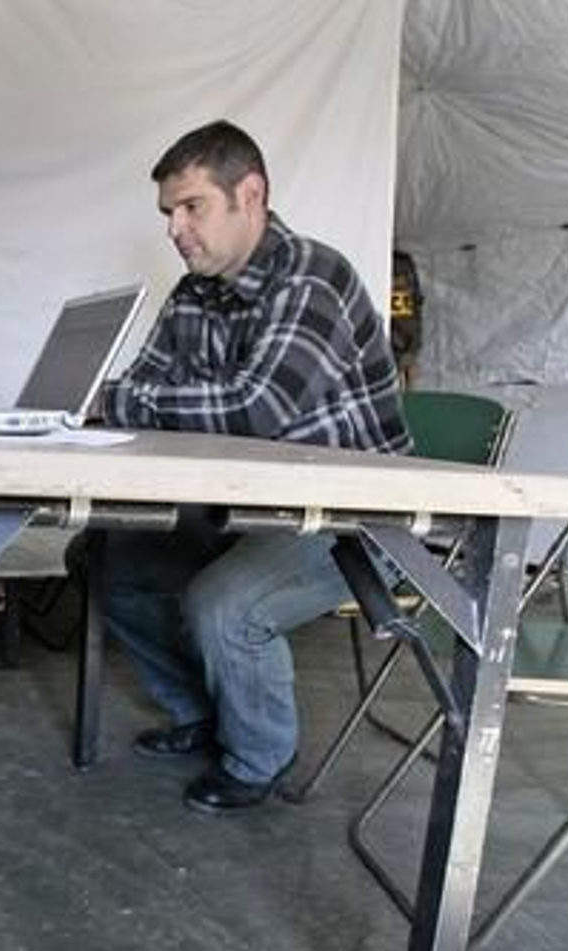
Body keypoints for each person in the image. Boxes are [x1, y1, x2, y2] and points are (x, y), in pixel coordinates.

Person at [90, 119, 410, 813]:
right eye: (168, 214)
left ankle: (259, 757)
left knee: (224, 604)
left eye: (191, 207)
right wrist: (122, 403)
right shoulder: (193, 294)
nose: (175, 229)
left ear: (251, 194)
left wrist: (117, 398)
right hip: (246, 506)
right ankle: (205, 712)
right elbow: (141, 398)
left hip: (350, 521)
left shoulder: (312, 277)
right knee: (104, 560)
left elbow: (253, 410)